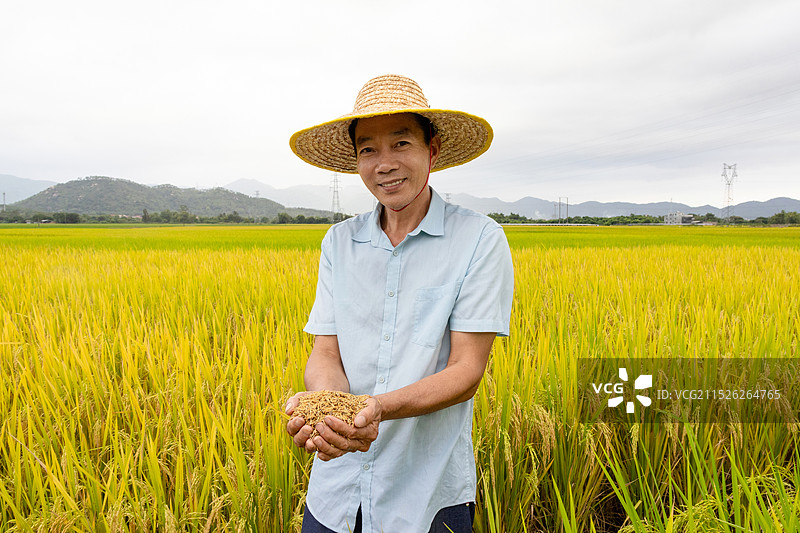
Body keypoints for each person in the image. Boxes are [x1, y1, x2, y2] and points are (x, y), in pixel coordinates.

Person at [285, 74, 514, 533]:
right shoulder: (339, 243)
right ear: (355, 161)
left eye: (401, 143)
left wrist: (377, 408)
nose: (384, 163)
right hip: (335, 495)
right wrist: (325, 407)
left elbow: (467, 371)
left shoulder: (479, 239)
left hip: (426, 497)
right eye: (368, 149)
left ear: (432, 151)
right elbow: (326, 353)